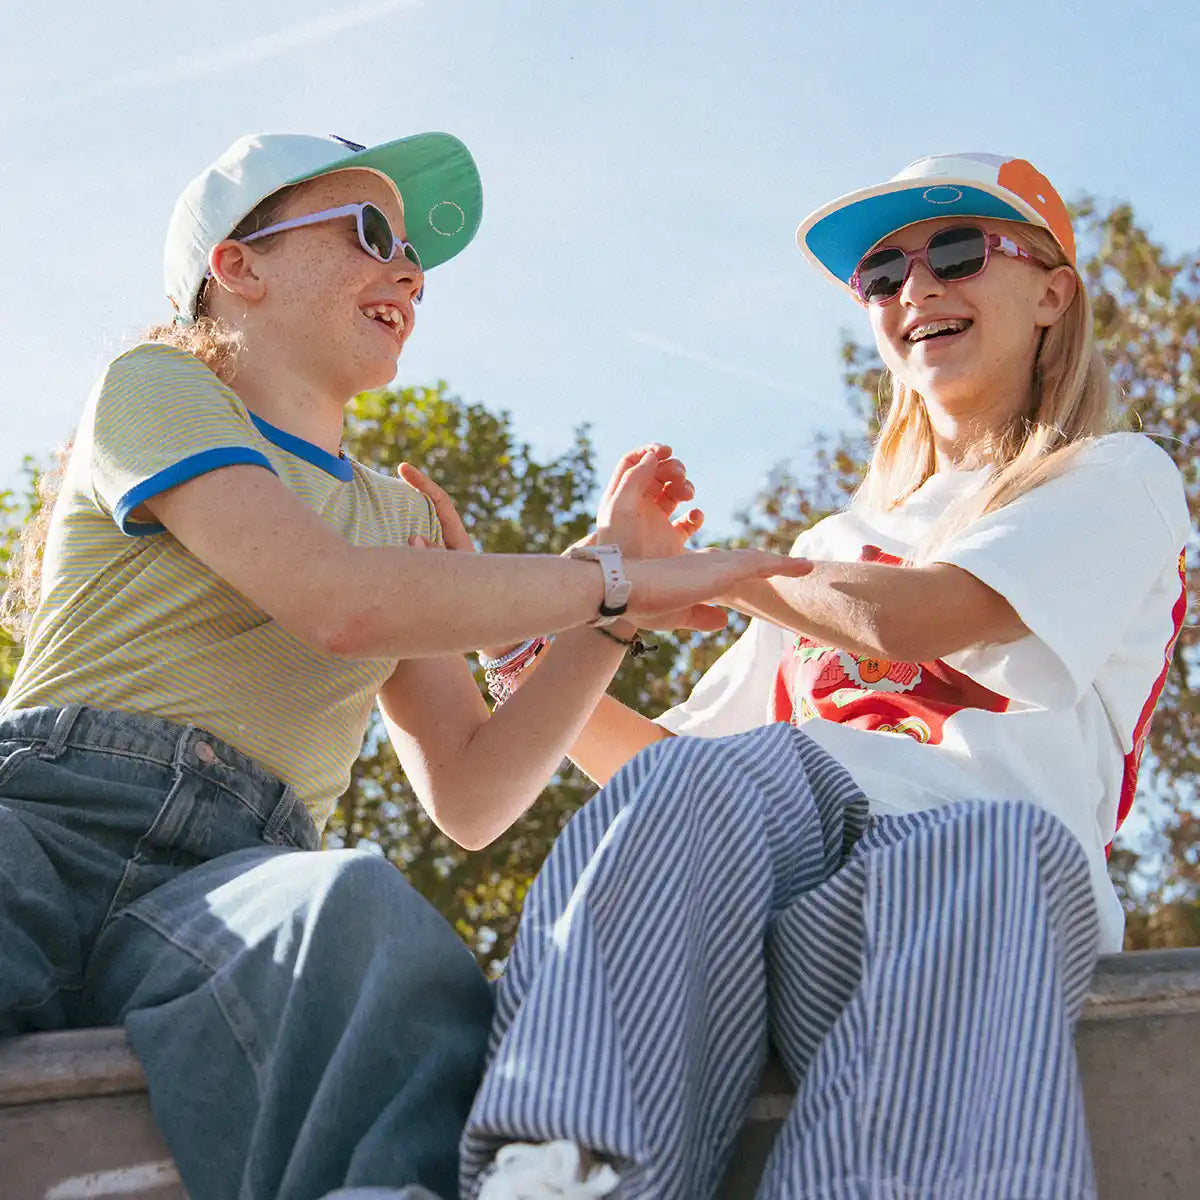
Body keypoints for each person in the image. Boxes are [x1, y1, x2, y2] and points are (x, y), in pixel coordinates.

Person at [0, 130, 809, 1200]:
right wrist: (611, 579)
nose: (411, 272)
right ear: (237, 268)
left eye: (416, 257)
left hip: (234, 878)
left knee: (362, 921)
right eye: (372, 233)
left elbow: (472, 791)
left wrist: (605, 623)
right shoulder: (152, 389)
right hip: (48, 813)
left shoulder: (398, 520)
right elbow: (333, 597)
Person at [446, 153, 1191, 1199]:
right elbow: (667, 770)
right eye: (884, 276)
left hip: (957, 896)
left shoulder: (1115, 480)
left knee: (992, 848)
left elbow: (909, 621)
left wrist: (698, 577)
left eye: (960, 252)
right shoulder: (834, 541)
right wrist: (528, 647)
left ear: (1051, 292)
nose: (917, 289)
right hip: (778, 880)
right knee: (695, 785)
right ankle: (573, 1167)